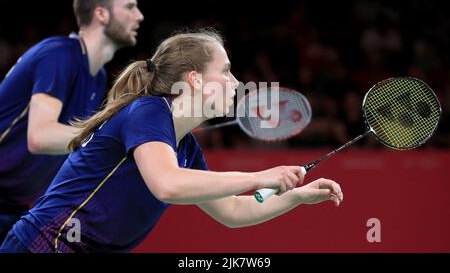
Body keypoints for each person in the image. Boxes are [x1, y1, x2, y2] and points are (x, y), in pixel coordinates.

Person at [0, 30, 343, 253]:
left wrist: (296, 197)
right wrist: (260, 176)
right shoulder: (148, 112)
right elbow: (167, 185)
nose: (237, 82)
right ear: (194, 79)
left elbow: (234, 210)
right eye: (225, 71)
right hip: (45, 244)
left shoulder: (186, 147)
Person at [0, 0, 144, 242]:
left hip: (16, 208)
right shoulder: (59, 55)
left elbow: (71, 147)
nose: (139, 16)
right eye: (129, 7)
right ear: (101, 13)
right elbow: (40, 137)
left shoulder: (97, 77)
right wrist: (113, 136)